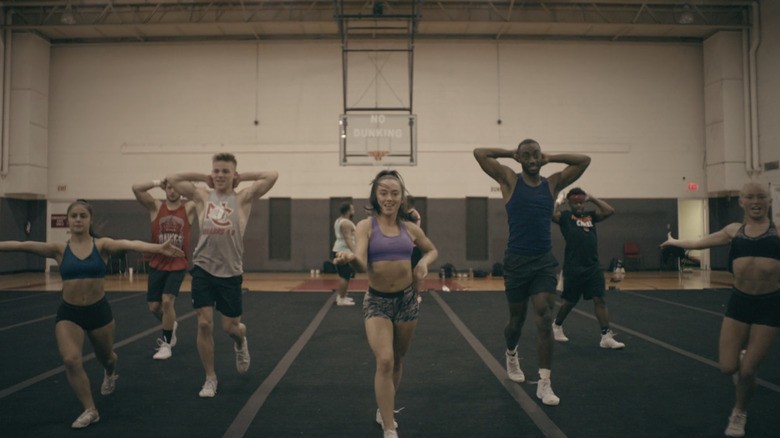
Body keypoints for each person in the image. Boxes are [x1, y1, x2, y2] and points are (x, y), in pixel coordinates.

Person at [0, 200, 183, 429]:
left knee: (107, 357)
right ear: (68, 220)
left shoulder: (101, 246)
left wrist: (158, 248)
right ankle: (90, 409)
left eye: (82, 216)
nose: (78, 219)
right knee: (70, 359)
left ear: (90, 220)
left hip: (98, 312)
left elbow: (129, 243)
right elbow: (21, 245)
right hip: (70, 313)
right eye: (74, 215)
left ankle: (110, 372)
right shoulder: (59, 249)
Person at [473, 140, 590, 406]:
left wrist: (552, 156)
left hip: (543, 263)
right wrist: (510, 154)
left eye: (535, 154)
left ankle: (545, 383)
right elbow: (480, 153)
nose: (532, 159)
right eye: (527, 155)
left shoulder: (552, 184)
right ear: (520, 159)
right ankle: (511, 354)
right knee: (516, 321)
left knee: (544, 316)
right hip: (515, 262)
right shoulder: (509, 180)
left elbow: (584, 160)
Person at [660, 182, 780, 438]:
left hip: (769, 306)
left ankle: (739, 413)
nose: (755, 201)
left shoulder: (777, 232)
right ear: (741, 201)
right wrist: (675, 241)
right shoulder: (734, 231)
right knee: (728, 367)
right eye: (750, 197)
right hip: (740, 303)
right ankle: (744, 371)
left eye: (761, 197)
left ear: (770, 201)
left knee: (748, 370)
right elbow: (702, 242)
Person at [333, 170, 437, 438]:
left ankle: (385, 409)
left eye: (394, 193)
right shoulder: (366, 226)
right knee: (385, 360)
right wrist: (348, 258)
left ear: (402, 197)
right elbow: (361, 261)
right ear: (375, 197)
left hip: (407, 301)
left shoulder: (410, 228)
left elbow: (432, 249)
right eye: (383, 193)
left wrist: (423, 264)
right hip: (377, 302)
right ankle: (389, 427)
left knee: (399, 359)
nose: (389, 198)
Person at [167, 153, 278, 398]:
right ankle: (210, 378)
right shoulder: (201, 196)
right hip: (203, 269)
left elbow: (272, 175)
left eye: (225, 171)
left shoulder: (243, 198)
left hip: (230, 273)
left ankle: (241, 342)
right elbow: (172, 179)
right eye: (216, 171)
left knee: (231, 327)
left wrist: (241, 178)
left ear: (233, 175)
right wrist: (202, 178)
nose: (219, 175)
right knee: (204, 323)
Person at [551, 188, 625, 349]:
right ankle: (556, 325)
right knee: (570, 301)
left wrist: (593, 198)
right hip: (573, 267)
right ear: (569, 204)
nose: (579, 205)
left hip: (593, 266)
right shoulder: (565, 217)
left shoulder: (590, 216)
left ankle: (605, 336)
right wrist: (558, 201)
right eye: (576, 203)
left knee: (600, 299)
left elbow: (609, 211)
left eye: (581, 202)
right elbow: (550, 214)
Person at [132, 178, 197, 359]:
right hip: (157, 264)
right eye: (169, 188)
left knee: (167, 300)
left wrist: (184, 182)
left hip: (177, 264)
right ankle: (170, 325)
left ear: (181, 191)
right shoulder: (155, 207)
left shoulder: (188, 209)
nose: (173, 191)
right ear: (165, 189)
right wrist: (156, 181)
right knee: (154, 307)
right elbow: (136, 187)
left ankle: (166, 344)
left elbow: (201, 195)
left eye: (176, 188)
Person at [332, 202, 357, 306]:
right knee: (344, 276)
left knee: (345, 275)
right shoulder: (345, 223)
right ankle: (341, 299)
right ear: (348, 211)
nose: (353, 211)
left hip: (342, 249)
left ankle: (342, 295)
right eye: (352, 209)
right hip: (344, 251)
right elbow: (347, 238)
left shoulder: (338, 220)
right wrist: (355, 252)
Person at [406, 195, 423, 269]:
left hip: (413, 246)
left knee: (412, 269)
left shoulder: (413, 214)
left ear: (408, 203)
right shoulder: (408, 213)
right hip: (409, 245)